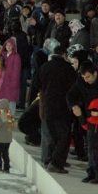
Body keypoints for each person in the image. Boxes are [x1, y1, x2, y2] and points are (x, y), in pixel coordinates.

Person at [34, 45, 77, 174]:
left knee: (53, 137)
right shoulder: (68, 68)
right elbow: (74, 87)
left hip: (47, 106)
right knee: (64, 137)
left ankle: (51, 160)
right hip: (63, 107)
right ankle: (57, 163)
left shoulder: (45, 67)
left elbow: (37, 83)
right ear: (64, 55)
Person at [0, 38, 21, 115]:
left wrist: (14, 83)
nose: (8, 47)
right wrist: (0, 81)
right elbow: (1, 70)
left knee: (12, 101)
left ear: (13, 46)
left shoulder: (16, 57)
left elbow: (16, 71)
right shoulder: (3, 55)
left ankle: (11, 117)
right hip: (4, 81)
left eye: (10, 45)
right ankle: (4, 117)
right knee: (4, 101)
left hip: (11, 82)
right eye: (7, 45)